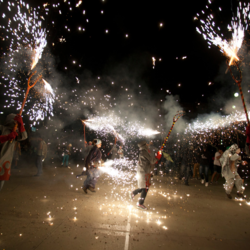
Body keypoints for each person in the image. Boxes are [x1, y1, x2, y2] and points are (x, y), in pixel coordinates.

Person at [0, 114, 27, 191]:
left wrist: (21, 125)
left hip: (4, 163)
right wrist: (7, 137)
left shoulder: (15, 132)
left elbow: (24, 136)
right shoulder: (1, 128)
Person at [130, 141, 159, 210]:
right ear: (144, 145)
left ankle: (133, 193)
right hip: (143, 172)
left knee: (144, 187)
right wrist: (158, 156)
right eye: (146, 144)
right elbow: (152, 161)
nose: (147, 145)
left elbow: (150, 160)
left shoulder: (144, 152)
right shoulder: (144, 152)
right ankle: (140, 203)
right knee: (145, 188)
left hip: (144, 172)